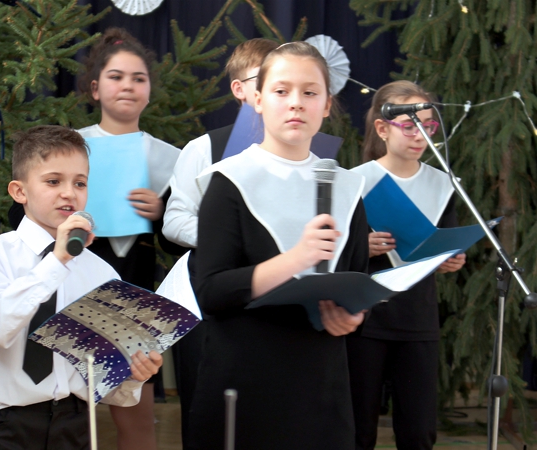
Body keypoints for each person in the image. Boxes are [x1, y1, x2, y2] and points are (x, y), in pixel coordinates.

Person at [188, 41, 369, 449]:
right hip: (247, 380)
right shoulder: (229, 181)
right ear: (257, 99)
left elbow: (359, 277)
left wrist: (354, 316)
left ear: (327, 105)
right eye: (281, 91)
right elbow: (212, 290)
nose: (296, 103)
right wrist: (298, 258)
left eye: (310, 92)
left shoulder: (346, 186)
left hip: (322, 383)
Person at [0, 125, 163, 450]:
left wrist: (132, 374)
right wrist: (56, 262)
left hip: (74, 422)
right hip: (6, 423)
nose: (69, 193)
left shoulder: (100, 273)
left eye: (79, 183)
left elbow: (105, 379)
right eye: (53, 181)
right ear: (19, 191)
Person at [160, 38, 278, 448]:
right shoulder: (204, 148)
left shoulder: (308, 153)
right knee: (207, 412)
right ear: (239, 89)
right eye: (263, 79)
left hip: (275, 302)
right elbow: (174, 220)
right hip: (213, 299)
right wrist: (227, 240)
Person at [74, 27, 181, 450]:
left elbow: (181, 240)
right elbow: (24, 213)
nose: (128, 86)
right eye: (116, 76)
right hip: (71, 288)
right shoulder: (71, 147)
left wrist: (161, 213)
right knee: (67, 418)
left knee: (136, 422)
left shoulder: (170, 158)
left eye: (139, 78)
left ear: (149, 91)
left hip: (133, 296)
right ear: (95, 88)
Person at [347, 80, 466, 450]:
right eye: (409, 126)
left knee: (418, 430)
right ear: (382, 129)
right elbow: (328, 253)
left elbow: (446, 243)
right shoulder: (356, 182)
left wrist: (452, 259)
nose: (420, 135)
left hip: (418, 320)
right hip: (365, 321)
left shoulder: (443, 184)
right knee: (358, 428)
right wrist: (361, 247)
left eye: (428, 126)